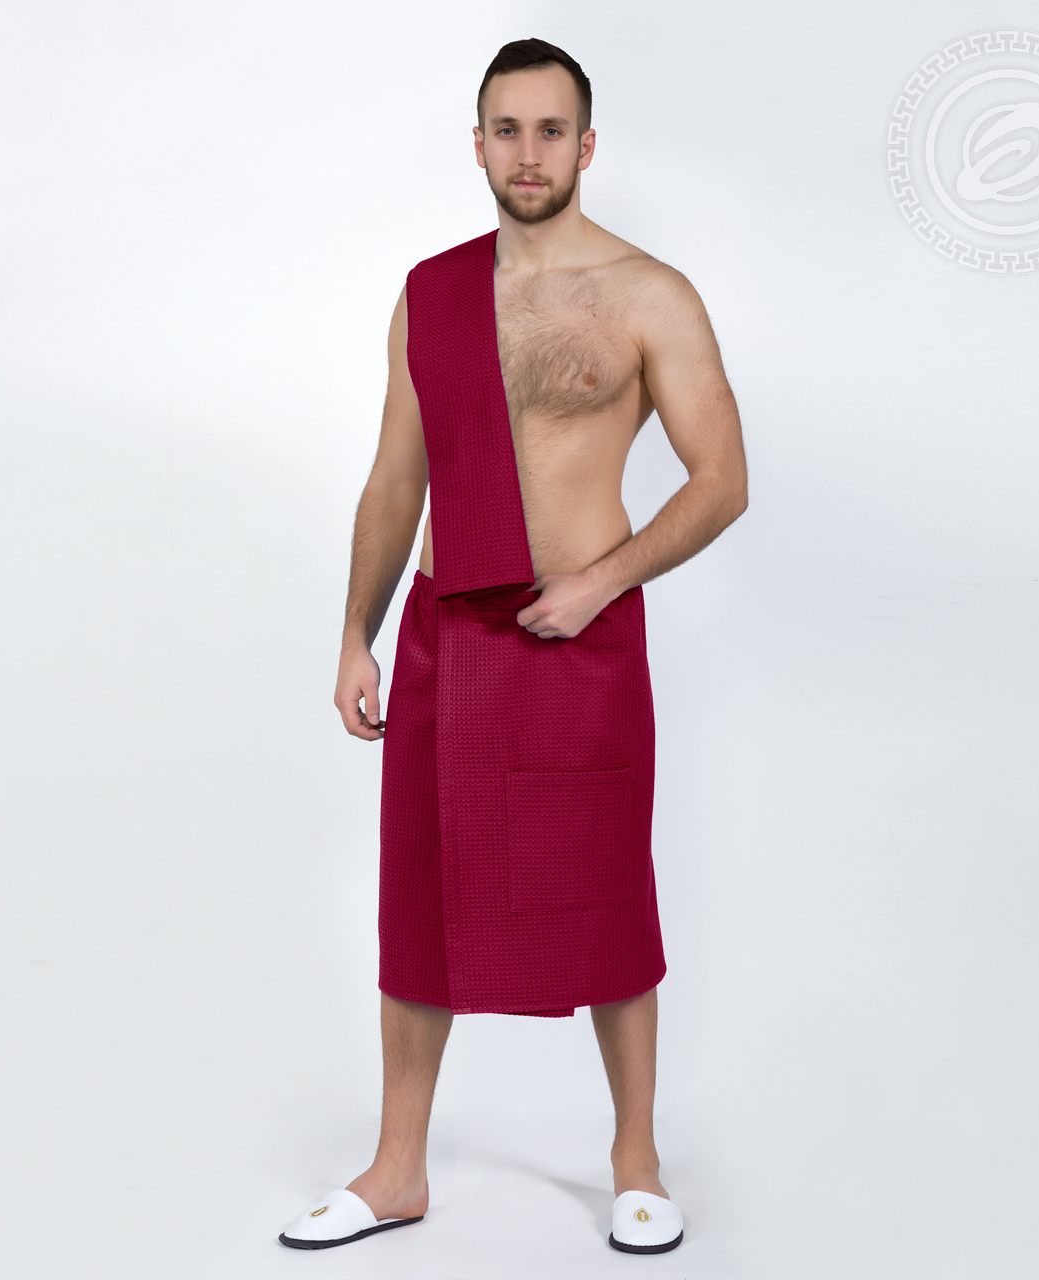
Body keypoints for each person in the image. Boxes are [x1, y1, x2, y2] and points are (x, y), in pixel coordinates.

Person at [280, 36, 747, 1256]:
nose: (526, 153)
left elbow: (721, 479)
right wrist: (355, 634)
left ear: (585, 146)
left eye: (549, 131)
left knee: (605, 887)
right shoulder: (431, 292)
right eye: (506, 130)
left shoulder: (649, 295)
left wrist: (599, 582)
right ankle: (396, 1167)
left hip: (579, 638)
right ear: (478, 144)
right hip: (445, 632)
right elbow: (396, 476)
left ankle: (635, 1160)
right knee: (418, 893)